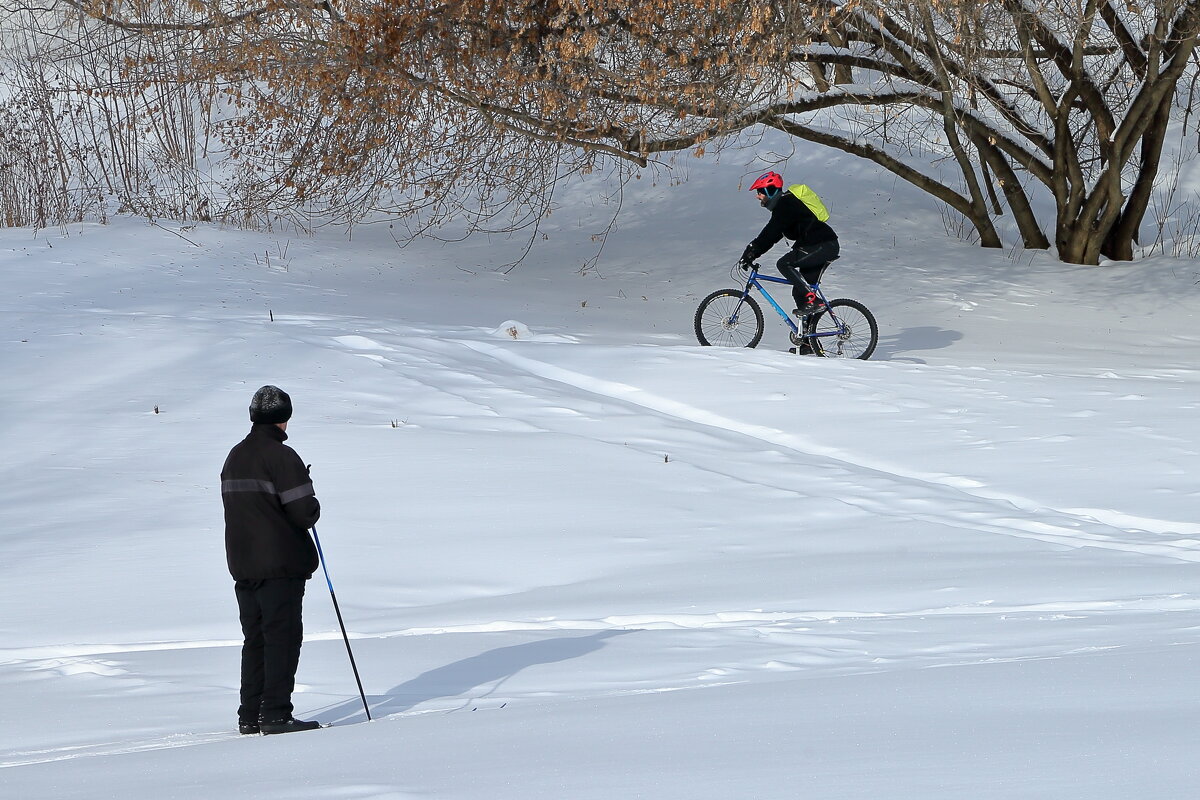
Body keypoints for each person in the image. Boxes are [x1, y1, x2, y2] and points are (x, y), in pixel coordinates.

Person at [221, 385, 322, 735]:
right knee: (282, 637)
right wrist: (312, 501)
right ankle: (276, 713)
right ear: (285, 418)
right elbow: (302, 512)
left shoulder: (235, 456)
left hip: (244, 564)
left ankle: (250, 715)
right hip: (280, 563)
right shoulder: (282, 456)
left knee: (256, 639)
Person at [739, 170, 840, 317]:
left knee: (784, 263)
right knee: (800, 291)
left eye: (760, 192)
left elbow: (770, 233)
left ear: (770, 190)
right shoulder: (785, 206)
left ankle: (814, 301)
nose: (758, 196)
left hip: (823, 245)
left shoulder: (786, 204)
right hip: (819, 245)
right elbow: (773, 236)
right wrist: (754, 253)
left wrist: (751, 251)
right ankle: (807, 335)